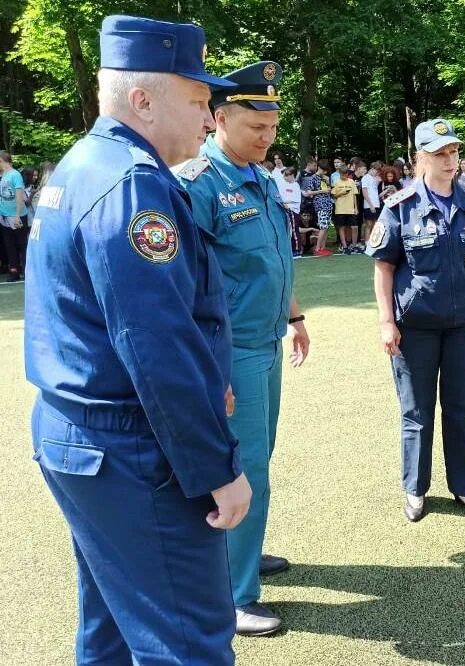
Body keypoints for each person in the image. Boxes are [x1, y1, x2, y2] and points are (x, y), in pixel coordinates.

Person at [23, 15, 250, 664]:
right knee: (191, 646)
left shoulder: (83, 164)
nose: (210, 120)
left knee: (113, 633)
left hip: (79, 438)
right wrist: (217, 469)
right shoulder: (133, 184)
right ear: (142, 100)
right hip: (132, 448)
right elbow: (158, 348)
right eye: (200, 101)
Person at [175, 60, 311, 636]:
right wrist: (212, 365)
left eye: (273, 126)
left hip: (267, 342)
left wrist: (295, 315)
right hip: (229, 352)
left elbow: (272, 258)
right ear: (220, 118)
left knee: (260, 455)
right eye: (256, 126)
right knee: (242, 463)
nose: (267, 136)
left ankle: (243, 556)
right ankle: (231, 595)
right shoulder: (197, 184)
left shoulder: (259, 178)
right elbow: (183, 285)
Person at [365, 118, 465, 523]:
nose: (449, 160)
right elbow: (384, 268)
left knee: (462, 410)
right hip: (415, 328)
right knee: (416, 412)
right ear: (419, 158)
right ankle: (415, 489)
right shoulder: (400, 207)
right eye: (439, 153)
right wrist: (386, 322)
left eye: (454, 152)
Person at [0, 151, 28, 282]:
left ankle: (27, 270)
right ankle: (14, 271)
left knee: (22, 244)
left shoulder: (15, 175)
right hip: (5, 216)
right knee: (9, 244)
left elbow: (19, 196)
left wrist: (17, 215)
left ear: (2, 160)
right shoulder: (3, 175)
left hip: (17, 215)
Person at [332, 166, 360, 253]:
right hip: (340, 209)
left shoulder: (351, 181)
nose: (344, 176)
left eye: (346, 174)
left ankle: (354, 246)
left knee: (354, 227)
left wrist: (356, 208)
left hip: (351, 208)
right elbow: (334, 195)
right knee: (342, 227)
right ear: (340, 174)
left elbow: (355, 195)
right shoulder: (336, 183)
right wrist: (343, 192)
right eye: (343, 175)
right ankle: (345, 247)